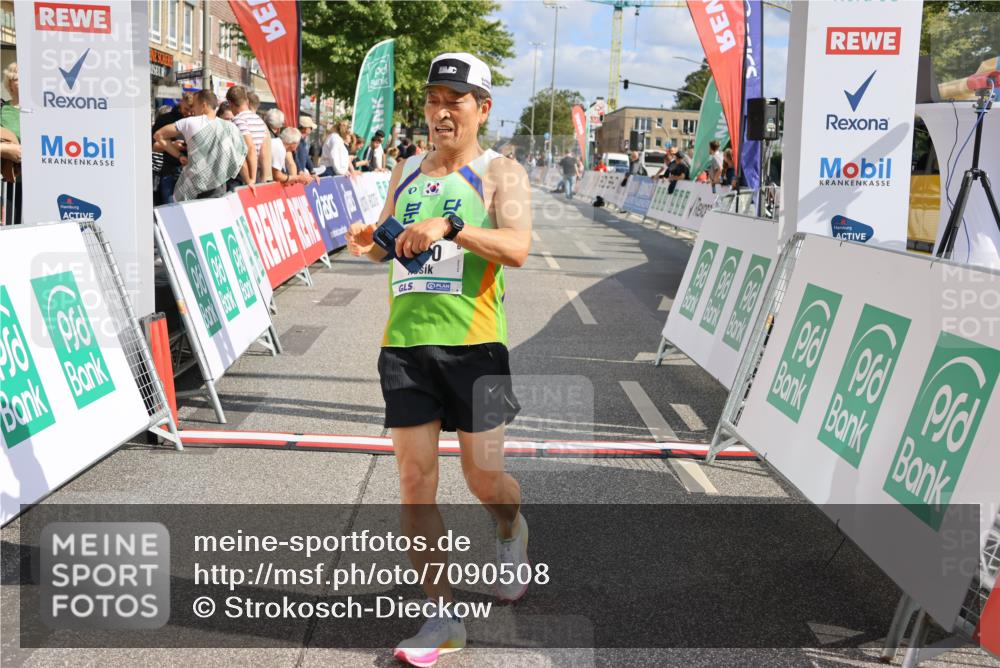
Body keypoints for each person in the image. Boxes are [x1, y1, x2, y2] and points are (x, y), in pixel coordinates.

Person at [346, 52, 531, 667]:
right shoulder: (404, 169)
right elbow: (388, 242)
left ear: (483, 108)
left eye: (455, 101)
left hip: (477, 346)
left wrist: (450, 226)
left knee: (485, 480)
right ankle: (442, 617)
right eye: (433, 100)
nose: (441, 112)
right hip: (405, 345)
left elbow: (517, 248)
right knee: (414, 480)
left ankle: (510, 528)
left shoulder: (501, 172)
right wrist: (368, 242)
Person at [153, 90, 248, 201]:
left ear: (203, 105)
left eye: (194, 105)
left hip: (192, 184)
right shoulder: (230, 127)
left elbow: (158, 135)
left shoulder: (189, 122)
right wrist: (249, 181)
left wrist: (179, 156)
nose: (192, 109)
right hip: (217, 185)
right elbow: (240, 160)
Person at [227, 86, 270, 189]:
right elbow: (264, 153)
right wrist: (263, 179)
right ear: (246, 101)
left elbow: (250, 148)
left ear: (230, 103)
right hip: (257, 175)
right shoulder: (259, 120)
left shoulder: (238, 120)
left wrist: (251, 180)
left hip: (242, 177)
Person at [1, 62, 22, 225]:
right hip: (11, 181)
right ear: (9, 83)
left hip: (41, 178)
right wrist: (6, 148)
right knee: (11, 226)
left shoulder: (44, 110)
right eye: (16, 78)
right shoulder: (3, 109)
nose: (21, 81)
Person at [294, 115, 317, 181]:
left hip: (300, 176)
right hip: (297, 177)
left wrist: (312, 171)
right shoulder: (296, 140)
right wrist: (300, 171)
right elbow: (294, 157)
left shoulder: (302, 141)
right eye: (311, 128)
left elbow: (306, 157)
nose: (311, 130)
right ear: (305, 128)